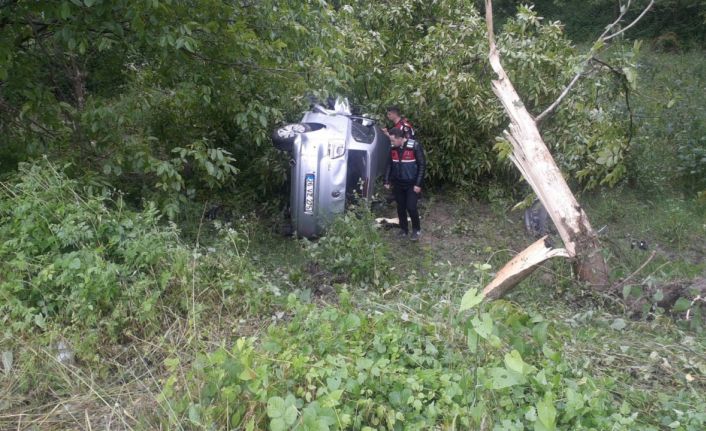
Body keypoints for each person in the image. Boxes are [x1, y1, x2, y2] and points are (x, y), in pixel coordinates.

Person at [384, 127, 426, 241]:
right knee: (400, 207)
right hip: (398, 183)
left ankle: (416, 230)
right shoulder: (393, 148)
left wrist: (418, 184)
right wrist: (386, 180)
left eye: (393, 140)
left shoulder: (415, 146)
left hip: (412, 184)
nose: (391, 143)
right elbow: (389, 165)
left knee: (411, 207)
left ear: (400, 138)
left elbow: (422, 166)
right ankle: (404, 229)